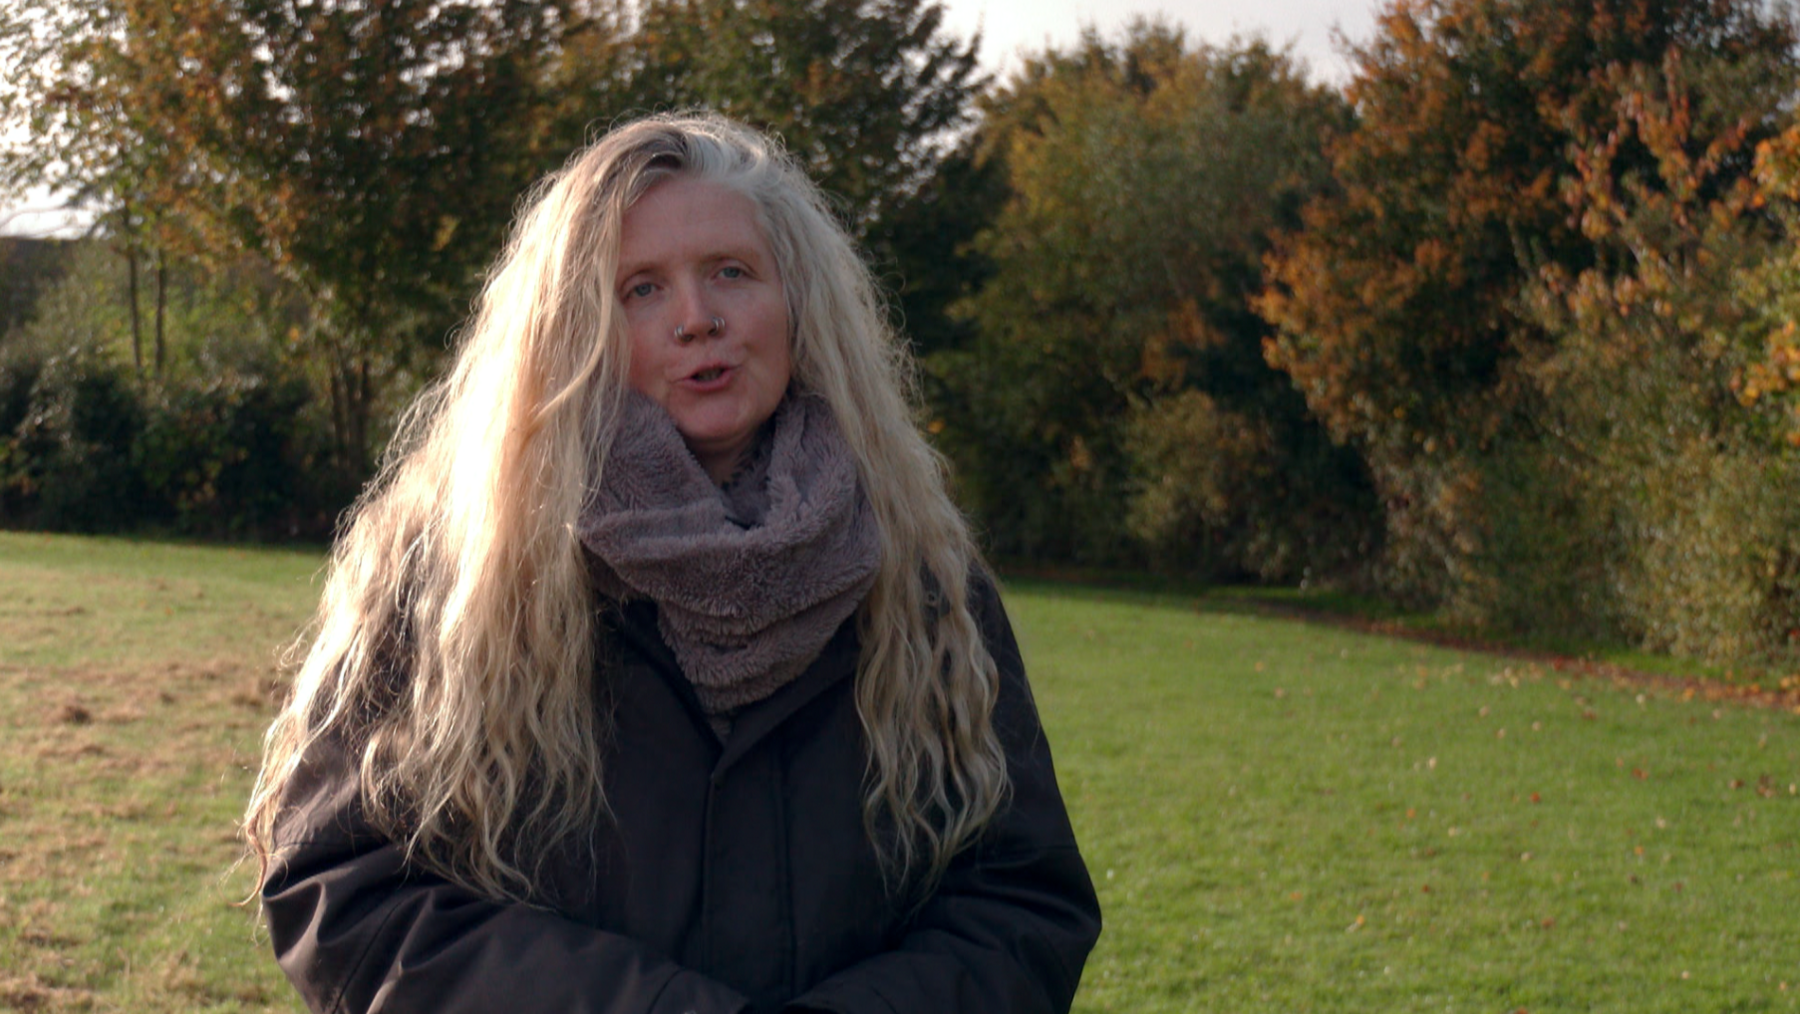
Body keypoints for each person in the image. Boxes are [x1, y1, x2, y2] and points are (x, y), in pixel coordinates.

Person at [243, 113, 1100, 1014]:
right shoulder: (456, 572)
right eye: (640, 289)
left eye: (732, 272)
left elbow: (1022, 900)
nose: (698, 319)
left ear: (798, 302)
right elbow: (344, 891)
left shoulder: (921, 578)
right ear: (573, 329)